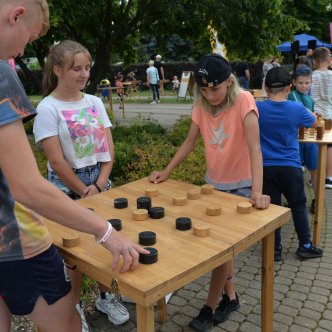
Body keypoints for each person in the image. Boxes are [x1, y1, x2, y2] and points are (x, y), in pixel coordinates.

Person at [0, 2, 148, 332]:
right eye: (30, 36)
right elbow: (25, 185)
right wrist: (104, 231)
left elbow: (107, 148)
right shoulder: (1, 72)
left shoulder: (93, 102)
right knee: (67, 323)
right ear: (16, 15)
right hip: (14, 239)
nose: (24, 48)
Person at [149, 53, 270, 331]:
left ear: (229, 82)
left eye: (214, 88)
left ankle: (209, 307)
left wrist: (257, 192)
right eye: (203, 89)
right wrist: (167, 171)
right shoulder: (202, 105)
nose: (209, 94)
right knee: (222, 250)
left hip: (241, 186)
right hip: (213, 184)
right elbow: (189, 142)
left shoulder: (244, 101)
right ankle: (231, 297)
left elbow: (255, 149)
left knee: (219, 250)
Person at [33, 40, 130, 329]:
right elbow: (57, 161)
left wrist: (98, 186)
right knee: (73, 256)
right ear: (58, 70)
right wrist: (81, 190)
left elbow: (108, 151)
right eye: (77, 68)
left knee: (105, 244)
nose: (84, 74)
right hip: (66, 189)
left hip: (98, 184)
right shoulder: (47, 108)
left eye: (86, 68)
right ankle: (74, 311)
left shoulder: (95, 102)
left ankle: (105, 297)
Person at [257, 66, 323, 262]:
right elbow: (315, 124)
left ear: (266, 88)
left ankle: (274, 249)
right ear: (289, 87)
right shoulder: (296, 108)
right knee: (298, 206)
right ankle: (305, 245)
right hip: (291, 166)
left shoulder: (258, 108)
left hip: (265, 167)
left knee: (272, 209)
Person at [288, 65, 318, 214]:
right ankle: (295, 200)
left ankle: (317, 200)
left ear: (311, 82)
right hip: (296, 140)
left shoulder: (310, 98)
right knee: (296, 172)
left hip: (311, 140)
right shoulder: (291, 96)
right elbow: (306, 115)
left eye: (307, 83)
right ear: (294, 82)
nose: (304, 86)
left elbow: (311, 117)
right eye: (301, 83)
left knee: (315, 170)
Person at [310, 47, 332, 188]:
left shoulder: (311, 76)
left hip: (316, 115)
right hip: (330, 114)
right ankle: (329, 177)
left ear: (314, 62)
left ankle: (317, 177)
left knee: (316, 145)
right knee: (329, 145)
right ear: (330, 60)